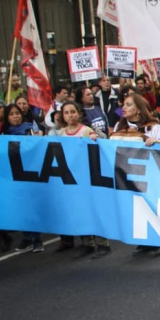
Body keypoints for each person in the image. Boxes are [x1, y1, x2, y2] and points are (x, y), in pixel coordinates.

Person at [111, 94, 160, 259]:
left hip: (150, 176)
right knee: (136, 208)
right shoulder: (119, 126)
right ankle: (144, 242)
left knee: (151, 207)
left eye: (128, 104)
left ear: (138, 109)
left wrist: (158, 142)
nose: (123, 108)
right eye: (123, 105)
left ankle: (158, 242)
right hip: (129, 176)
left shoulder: (154, 128)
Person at [52, 101, 113, 258]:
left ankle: (103, 242)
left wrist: (95, 137)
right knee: (79, 210)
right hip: (72, 178)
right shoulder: (61, 133)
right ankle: (88, 243)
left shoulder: (86, 131)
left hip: (88, 176)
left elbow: (103, 141)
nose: (70, 115)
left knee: (94, 209)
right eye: (66, 112)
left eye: (73, 112)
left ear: (79, 113)